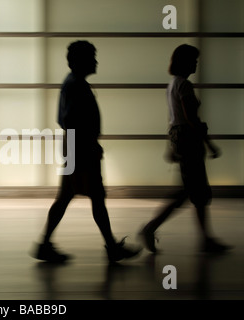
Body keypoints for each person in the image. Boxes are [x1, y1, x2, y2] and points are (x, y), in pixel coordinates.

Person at [31, 41, 141, 263]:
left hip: (77, 149)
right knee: (92, 198)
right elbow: (72, 120)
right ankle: (110, 247)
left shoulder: (72, 83)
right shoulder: (76, 86)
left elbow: (64, 119)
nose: (96, 61)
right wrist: (88, 144)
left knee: (70, 197)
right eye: (92, 57)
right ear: (81, 61)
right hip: (81, 151)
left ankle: (46, 244)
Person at [139, 44, 231, 254]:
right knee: (192, 191)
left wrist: (170, 145)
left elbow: (173, 120)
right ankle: (151, 227)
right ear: (185, 62)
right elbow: (192, 119)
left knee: (194, 191)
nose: (196, 63)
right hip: (190, 142)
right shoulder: (185, 86)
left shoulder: (172, 84)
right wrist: (209, 144)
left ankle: (205, 238)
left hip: (180, 140)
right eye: (194, 60)